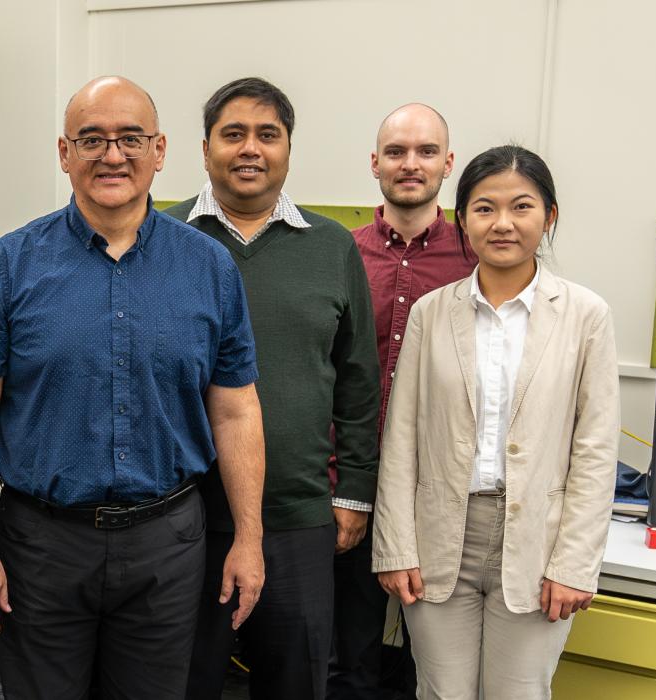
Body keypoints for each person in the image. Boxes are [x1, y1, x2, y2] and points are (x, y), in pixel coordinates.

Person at [0, 75, 266, 700]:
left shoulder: (209, 267)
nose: (112, 155)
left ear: (161, 149)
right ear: (64, 153)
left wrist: (249, 540)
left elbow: (236, 411)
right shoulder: (5, 268)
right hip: (41, 544)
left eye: (130, 139)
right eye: (91, 139)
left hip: (166, 541)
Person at [373, 145, 619, 699]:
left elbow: (596, 449)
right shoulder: (431, 313)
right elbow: (402, 438)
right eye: (484, 208)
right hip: (440, 540)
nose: (502, 223)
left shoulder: (585, 316)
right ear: (462, 219)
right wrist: (396, 548)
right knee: (440, 692)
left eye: (522, 207)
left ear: (549, 216)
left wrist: (575, 564)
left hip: (537, 543)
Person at [164, 77, 380, 700]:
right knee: (182, 683)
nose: (250, 149)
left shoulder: (333, 248)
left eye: (268, 135)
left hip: (299, 517)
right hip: (183, 517)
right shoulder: (162, 238)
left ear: (289, 148)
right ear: (205, 150)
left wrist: (354, 494)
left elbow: (359, 382)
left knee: (296, 683)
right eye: (233, 135)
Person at [330, 103, 476, 699]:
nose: (409, 164)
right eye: (396, 152)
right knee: (347, 657)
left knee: (436, 664)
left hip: (441, 492)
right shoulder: (338, 254)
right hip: (349, 487)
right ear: (374, 164)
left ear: (448, 162)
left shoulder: (478, 258)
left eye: (424, 152)